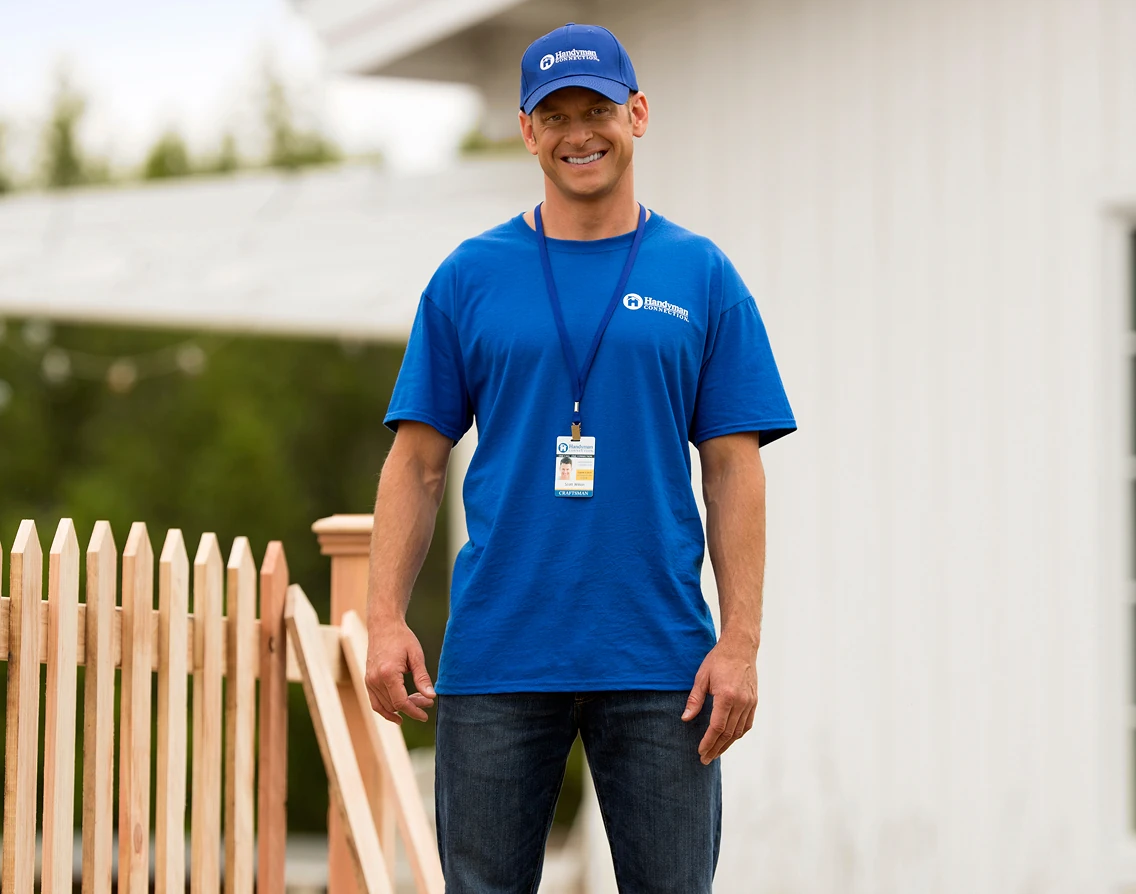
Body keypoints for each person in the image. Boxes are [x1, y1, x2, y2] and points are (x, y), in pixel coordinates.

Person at [364, 21, 796, 894]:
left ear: (637, 113)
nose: (578, 133)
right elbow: (416, 463)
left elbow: (733, 468)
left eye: (596, 108)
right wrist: (383, 620)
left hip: (661, 662)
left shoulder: (701, 275)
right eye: (553, 115)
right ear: (527, 132)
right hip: (498, 656)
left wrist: (740, 643)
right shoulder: (468, 277)